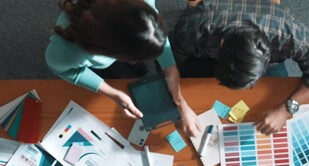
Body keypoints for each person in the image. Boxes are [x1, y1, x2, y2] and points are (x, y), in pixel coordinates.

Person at [171, 0, 309, 134]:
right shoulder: (193, 29)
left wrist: (286, 110)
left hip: (266, 46)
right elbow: (169, 62)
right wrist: (181, 106)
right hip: (205, 48)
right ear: (221, 44)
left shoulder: (289, 36)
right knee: (192, 98)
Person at [45, 0, 200, 137]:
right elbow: (64, 69)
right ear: (110, 52)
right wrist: (113, 93)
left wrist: (172, 72)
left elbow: (152, 31)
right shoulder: (70, 51)